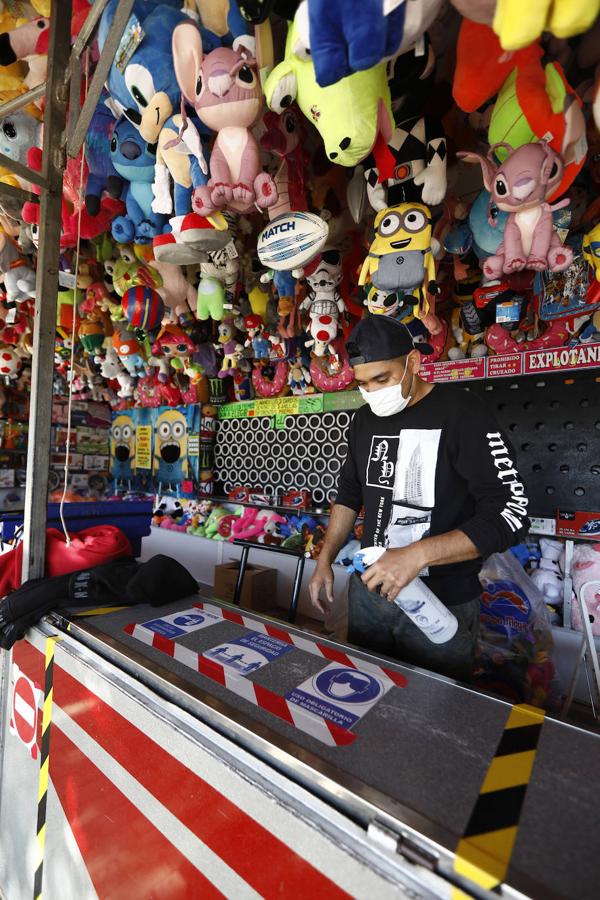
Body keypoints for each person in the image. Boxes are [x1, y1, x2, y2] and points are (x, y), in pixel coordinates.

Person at [309, 317, 530, 681]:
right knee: (365, 688)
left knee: (436, 703)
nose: (372, 392)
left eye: (382, 378)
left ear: (413, 362)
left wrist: (415, 556)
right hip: (371, 593)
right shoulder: (363, 420)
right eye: (363, 383)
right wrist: (325, 558)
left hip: (443, 601)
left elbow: (511, 511)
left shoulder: (463, 412)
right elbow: (349, 494)